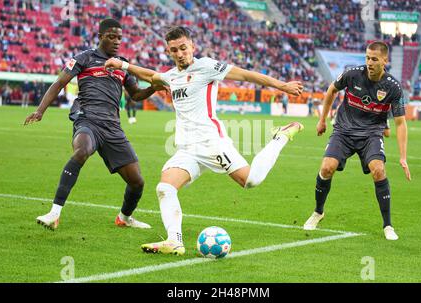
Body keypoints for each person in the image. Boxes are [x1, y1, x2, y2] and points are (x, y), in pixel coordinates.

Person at [105, 26, 304, 255]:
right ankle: (174, 241)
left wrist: (282, 86)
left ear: (192, 47)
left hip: (211, 143)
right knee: (165, 188)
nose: (180, 53)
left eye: (183, 48)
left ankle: (280, 137)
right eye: (174, 50)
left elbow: (246, 74)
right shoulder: (172, 76)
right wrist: (123, 65)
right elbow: (151, 76)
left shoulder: (207, 67)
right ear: (168, 52)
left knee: (251, 181)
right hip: (187, 149)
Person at [24, 19, 162, 230]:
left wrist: (154, 86)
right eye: (111, 37)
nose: (117, 41)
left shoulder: (122, 64)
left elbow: (135, 95)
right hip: (87, 119)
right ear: (100, 37)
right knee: (81, 151)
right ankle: (54, 213)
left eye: (119, 38)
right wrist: (40, 110)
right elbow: (59, 83)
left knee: (137, 182)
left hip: (113, 127)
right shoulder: (84, 58)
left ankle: (124, 218)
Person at [303, 41, 411, 240]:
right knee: (327, 168)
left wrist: (403, 157)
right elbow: (331, 90)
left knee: (378, 170)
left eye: (374, 59)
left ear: (385, 61)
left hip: (371, 134)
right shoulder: (352, 74)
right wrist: (322, 120)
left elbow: (401, 123)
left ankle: (388, 226)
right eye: (367, 58)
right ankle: (318, 212)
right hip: (344, 130)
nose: (369, 62)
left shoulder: (393, 87)